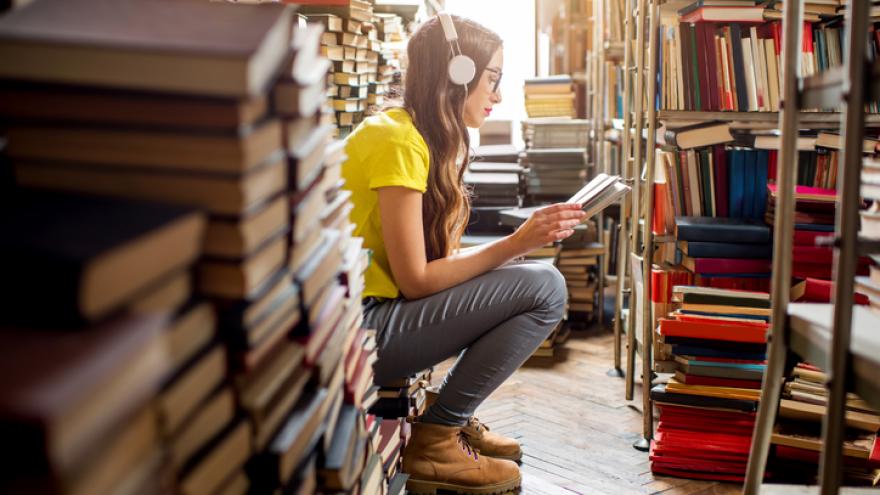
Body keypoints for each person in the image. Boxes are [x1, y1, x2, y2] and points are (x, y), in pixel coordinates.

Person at [341, 13, 585, 495]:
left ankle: (449, 418)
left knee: (527, 277)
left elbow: (426, 270)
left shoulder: (413, 135)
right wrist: (515, 244)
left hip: (368, 321)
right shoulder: (397, 140)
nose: (497, 95)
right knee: (545, 286)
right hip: (357, 334)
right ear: (457, 76)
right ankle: (436, 438)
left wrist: (510, 255)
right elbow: (416, 280)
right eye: (492, 80)